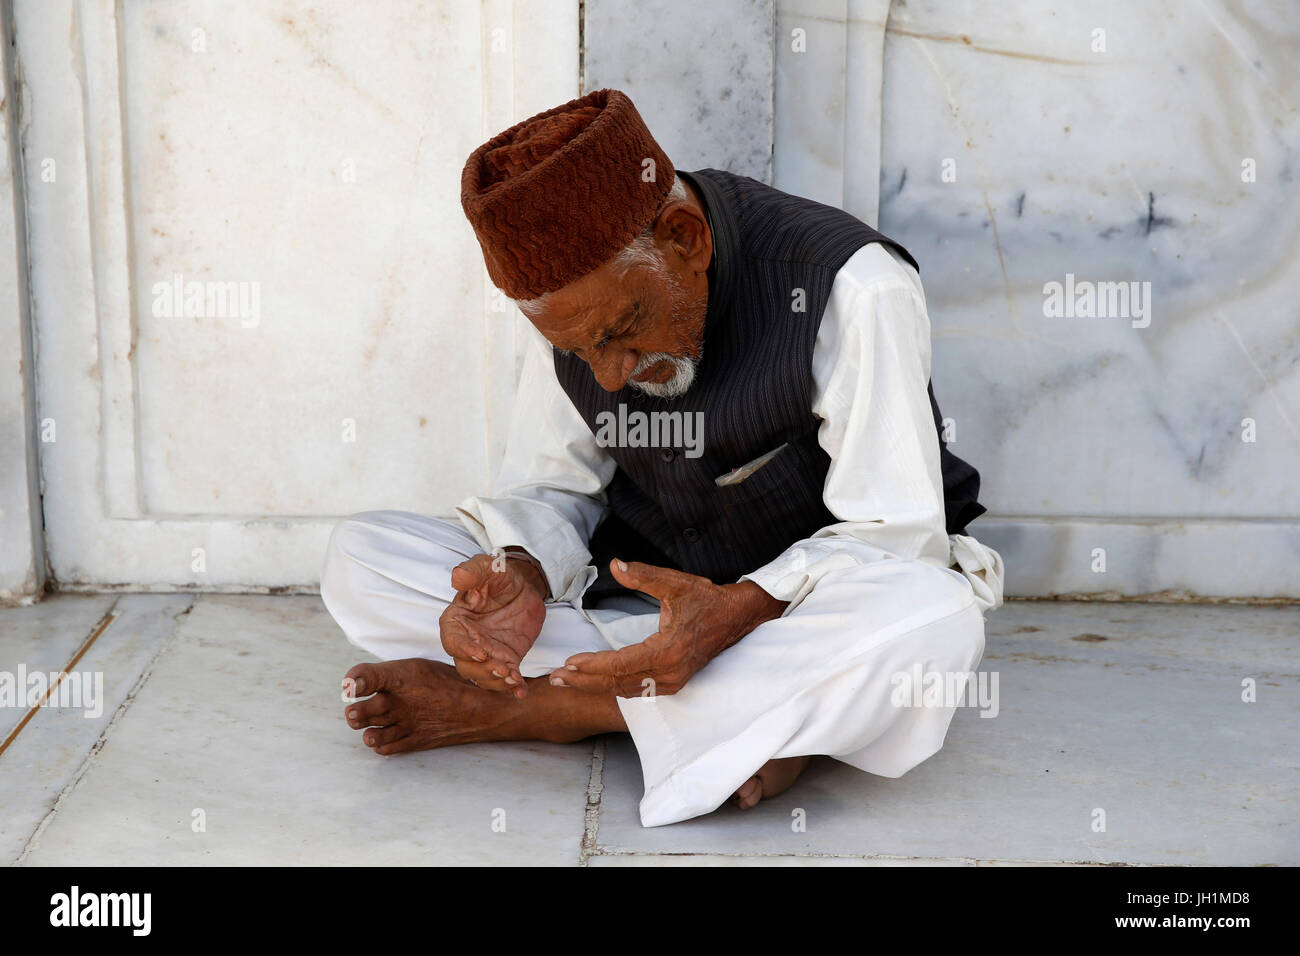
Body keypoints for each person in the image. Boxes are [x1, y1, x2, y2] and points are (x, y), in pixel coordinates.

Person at [320, 88, 1004, 827]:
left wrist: (737, 610)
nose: (608, 375)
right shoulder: (583, 312)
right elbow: (552, 488)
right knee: (361, 559)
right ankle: (756, 719)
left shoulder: (852, 286)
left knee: (933, 619)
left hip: (794, 616)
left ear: (687, 238)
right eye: (578, 350)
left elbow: (895, 532)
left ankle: (546, 712)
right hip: (640, 618)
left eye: (623, 330)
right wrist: (517, 575)